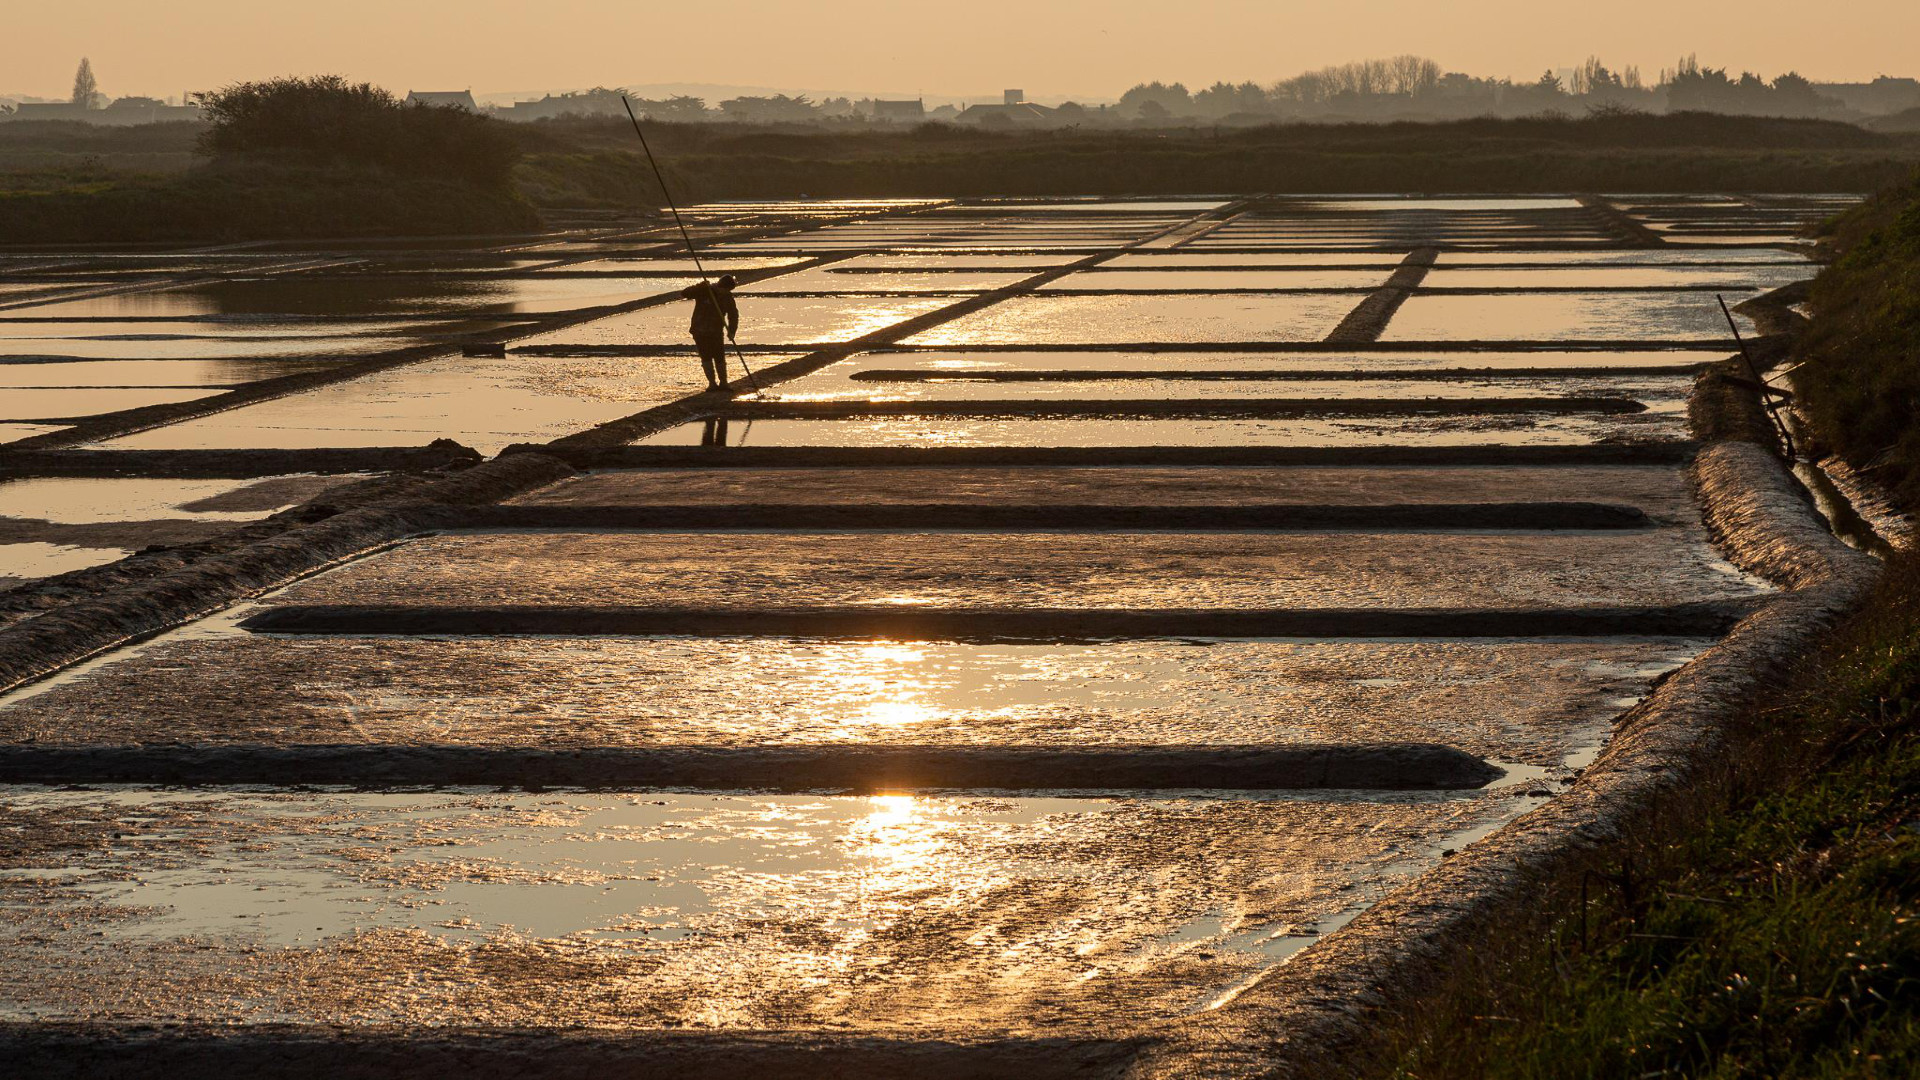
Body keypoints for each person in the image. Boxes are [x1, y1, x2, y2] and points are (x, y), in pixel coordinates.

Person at [681, 274, 740, 391]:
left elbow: (733, 315)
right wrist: (700, 286)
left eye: (728, 290)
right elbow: (685, 293)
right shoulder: (705, 291)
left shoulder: (727, 297)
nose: (725, 292)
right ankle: (712, 384)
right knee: (706, 357)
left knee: (719, 357)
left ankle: (723, 383)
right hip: (700, 330)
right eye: (724, 289)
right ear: (720, 285)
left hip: (716, 330)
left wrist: (732, 331)